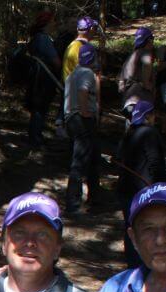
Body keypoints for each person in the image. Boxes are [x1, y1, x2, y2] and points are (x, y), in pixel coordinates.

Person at [116, 100, 166, 265]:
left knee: (130, 228)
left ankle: (132, 265)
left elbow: (117, 158)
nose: (155, 117)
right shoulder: (150, 133)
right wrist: (161, 188)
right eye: (153, 114)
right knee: (146, 228)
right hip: (145, 191)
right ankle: (145, 265)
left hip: (125, 190)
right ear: (148, 115)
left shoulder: (128, 133)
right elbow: (155, 161)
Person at [64, 43, 101, 215]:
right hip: (82, 119)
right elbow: (83, 91)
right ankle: (73, 204)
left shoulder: (72, 74)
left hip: (71, 119)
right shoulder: (87, 73)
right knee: (79, 161)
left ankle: (95, 199)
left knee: (93, 158)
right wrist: (86, 113)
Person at [25, 11, 62, 150]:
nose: (55, 24)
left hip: (36, 78)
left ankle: (35, 136)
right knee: (40, 108)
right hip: (43, 79)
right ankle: (36, 139)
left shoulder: (36, 38)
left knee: (38, 108)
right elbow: (56, 61)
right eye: (53, 21)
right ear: (47, 23)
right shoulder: (44, 39)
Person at [119, 28, 155, 115]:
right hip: (140, 101)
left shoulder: (130, 57)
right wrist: (149, 86)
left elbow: (120, 86)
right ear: (148, 40)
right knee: (143, 123)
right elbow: (146, 81)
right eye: (152, 38)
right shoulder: (146, 54)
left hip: (127, 102)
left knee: (131, 122)